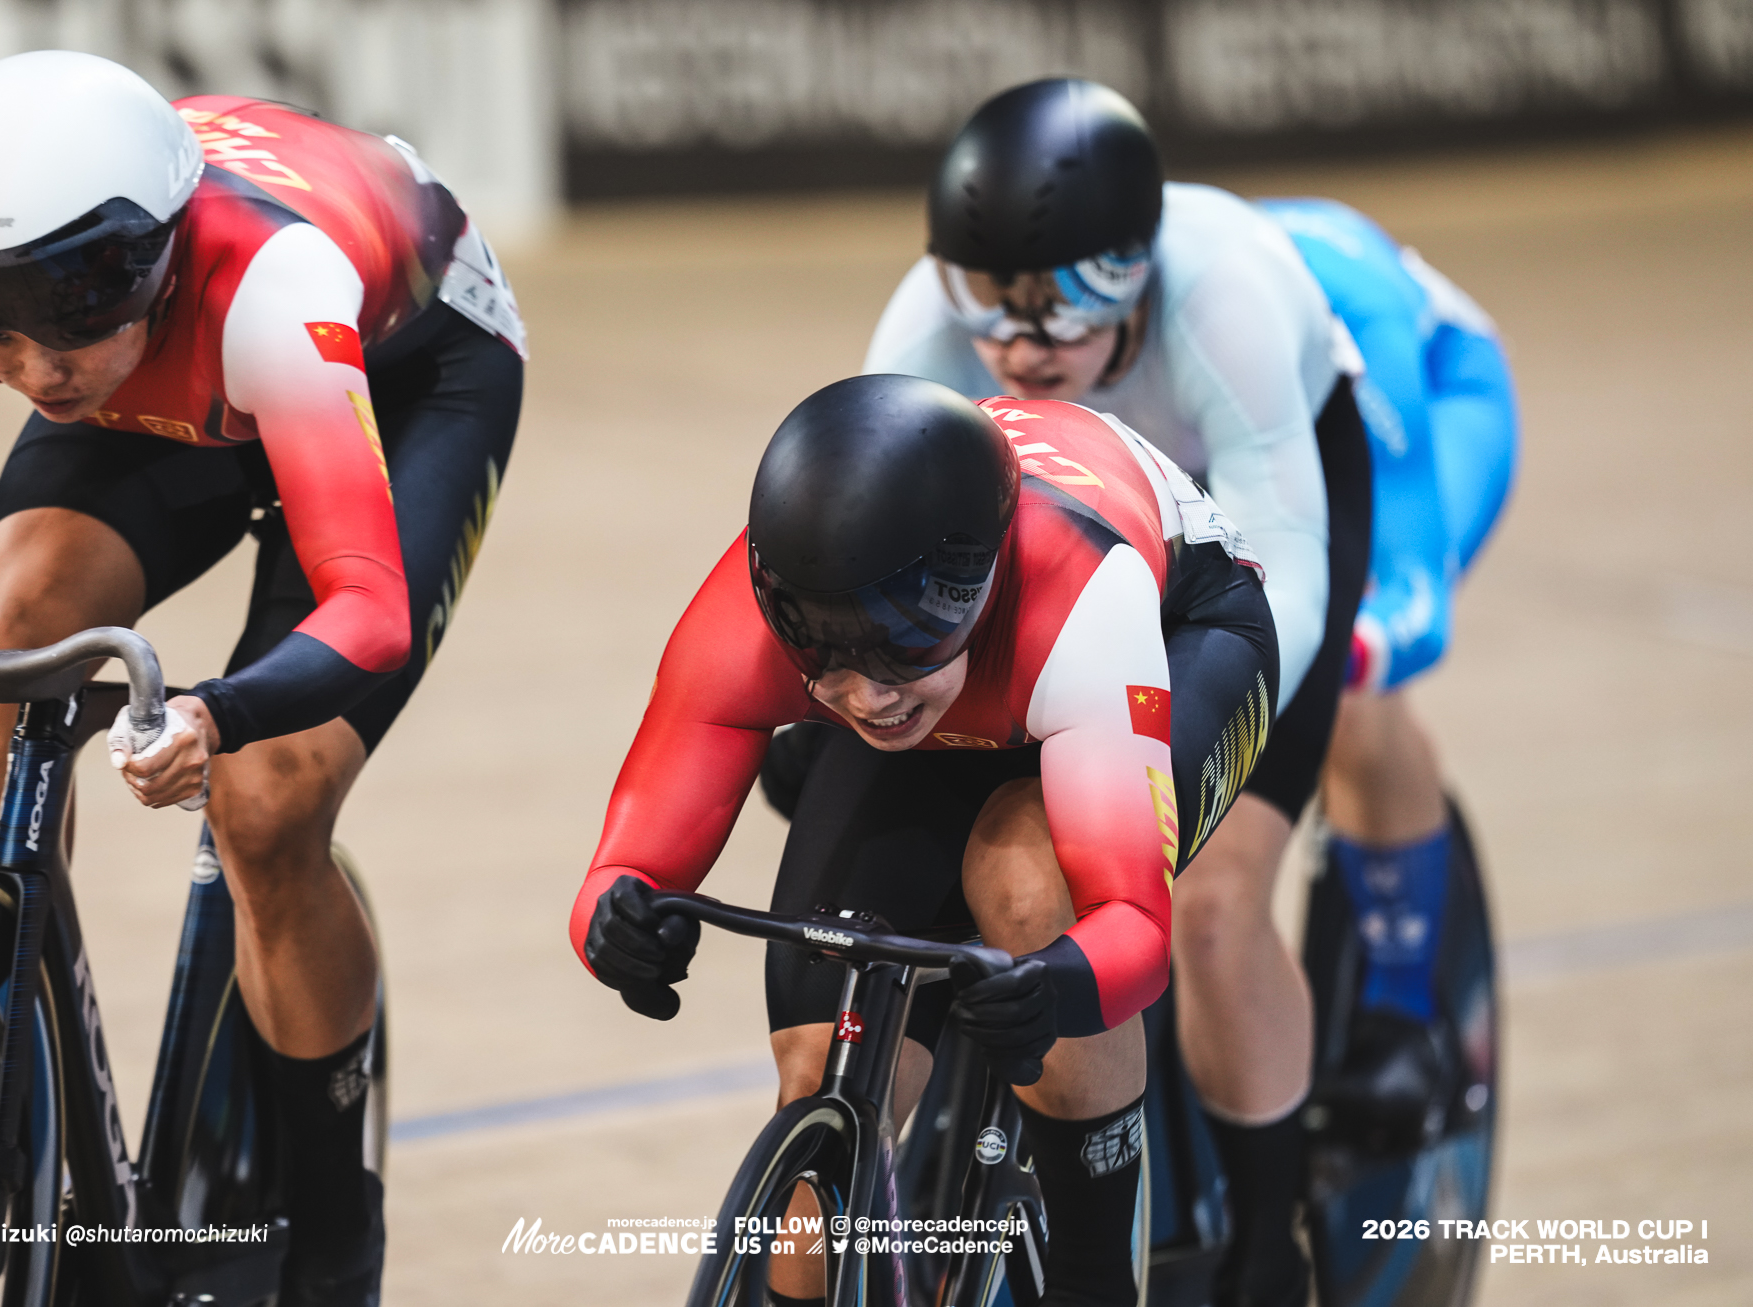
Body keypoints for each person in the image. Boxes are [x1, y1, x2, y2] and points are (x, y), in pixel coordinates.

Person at [0, 51, 524, 1306]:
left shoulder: (269, 288)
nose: (34, 367)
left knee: (267, 799)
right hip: (177, 385)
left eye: (72, 311)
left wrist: (216, 710)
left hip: (408, 374)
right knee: (20, 633)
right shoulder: (6, 304)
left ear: (150, 258)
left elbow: (368, 610)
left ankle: (335, 1225)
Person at [814, 79, 1376, 1307]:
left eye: (1070, 304)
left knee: (1217, 899)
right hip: (1073, 552)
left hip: (1245, 564)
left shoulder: (1223, 299)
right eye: (990, 305)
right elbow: (875, 535)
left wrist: (1150, 720)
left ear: (1138, 274)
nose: (1024, 342)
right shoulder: (922, 330)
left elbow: (1285, 574)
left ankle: (1268, 1245)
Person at [574, 373, 1279, 1307]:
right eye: (823, 650)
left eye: (909, 638)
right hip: (982, 687)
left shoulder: (1081, 609)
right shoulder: (749, 617)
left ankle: (1095, 1274)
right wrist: (616, 922)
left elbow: (1132, 927)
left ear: (978, 589)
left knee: (1026, 881)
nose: (865, 694)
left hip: (1182, 634)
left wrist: (1059, 981)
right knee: (817, 1067)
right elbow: (625, 862)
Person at [1254, 196, 1516, 1139]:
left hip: (1436, 405)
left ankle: (1404, 1017)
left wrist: (1341, 653)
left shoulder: (1353, 309)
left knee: (1355, 695)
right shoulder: (1115, 333)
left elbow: (1411, 603)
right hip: (1267, 433)